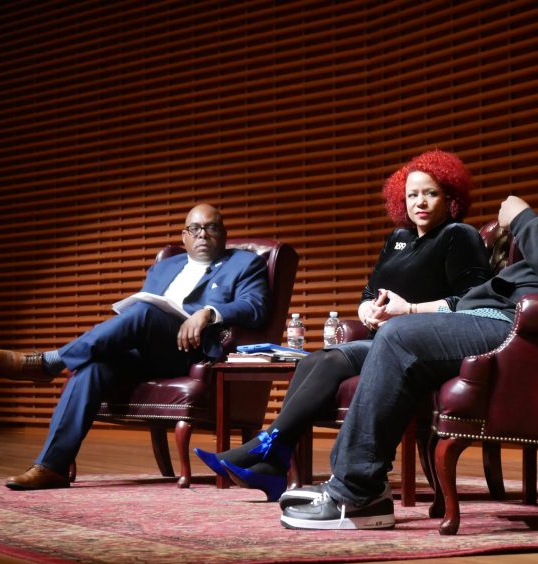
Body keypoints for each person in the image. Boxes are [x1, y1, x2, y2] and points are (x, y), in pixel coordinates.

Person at [279, 111, 538, 530]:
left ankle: (356, 493)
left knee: (401, 335)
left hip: (518, 327)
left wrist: (523, 220)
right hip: (495, 318)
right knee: (352, 350)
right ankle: (330, 475)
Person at [193, 149, 491, 501]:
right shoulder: (398, 239)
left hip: (426, 347)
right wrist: (367, 310)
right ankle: (274, 460)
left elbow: (473, 303)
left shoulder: (459, 235)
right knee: (312, 361)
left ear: (450, 197)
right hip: (385, 340)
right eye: (412, 194)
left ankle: (267, 448)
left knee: (332, 359)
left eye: (430, 193)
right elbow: (369, 291)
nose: (420, 202)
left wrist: (409, 310)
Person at [0, 203, 270, 490]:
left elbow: (254, 306)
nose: (202, 235)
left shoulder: (244, 263)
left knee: (145, 313)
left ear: (223, 234)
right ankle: (52, 467)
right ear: (184, 236)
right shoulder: (165, 266)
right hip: (145, 347)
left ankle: (52, 362)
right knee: (92, 366)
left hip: (190, 351)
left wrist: (208, 312)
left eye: (211, 228)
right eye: (194, 229)